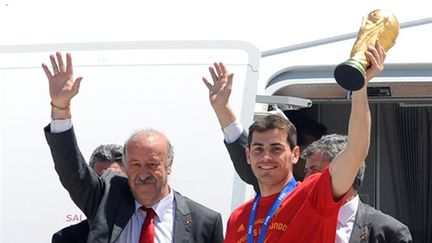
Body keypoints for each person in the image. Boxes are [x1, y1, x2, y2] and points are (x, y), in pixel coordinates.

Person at [202, 41, 385, 242]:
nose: (266, 157)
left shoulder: (312, 194)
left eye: (276, 149)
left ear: (295, 154)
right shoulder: (238, 217)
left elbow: (356, 151)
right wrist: (222, 108)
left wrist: (360, 86)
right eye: (258, 149)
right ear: (248, 155)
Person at [43, 52, 224, 243]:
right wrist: (61, 108)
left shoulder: (204, 222)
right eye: (136, 164)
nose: (143, 173)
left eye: (152, 164)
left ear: (169, 165)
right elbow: (72, 172)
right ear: (127, 167)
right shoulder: (106, 201)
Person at [302, 134, 413, 243]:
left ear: (347, 173)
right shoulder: (300, 222)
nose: (306, 179)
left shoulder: (389, 233)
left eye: (315, 170)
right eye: (307, 171)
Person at [52, 143, 126, 243]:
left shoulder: (149, 226)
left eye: (116, 181)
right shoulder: (68, 238)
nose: (109, 189)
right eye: (101, 181)